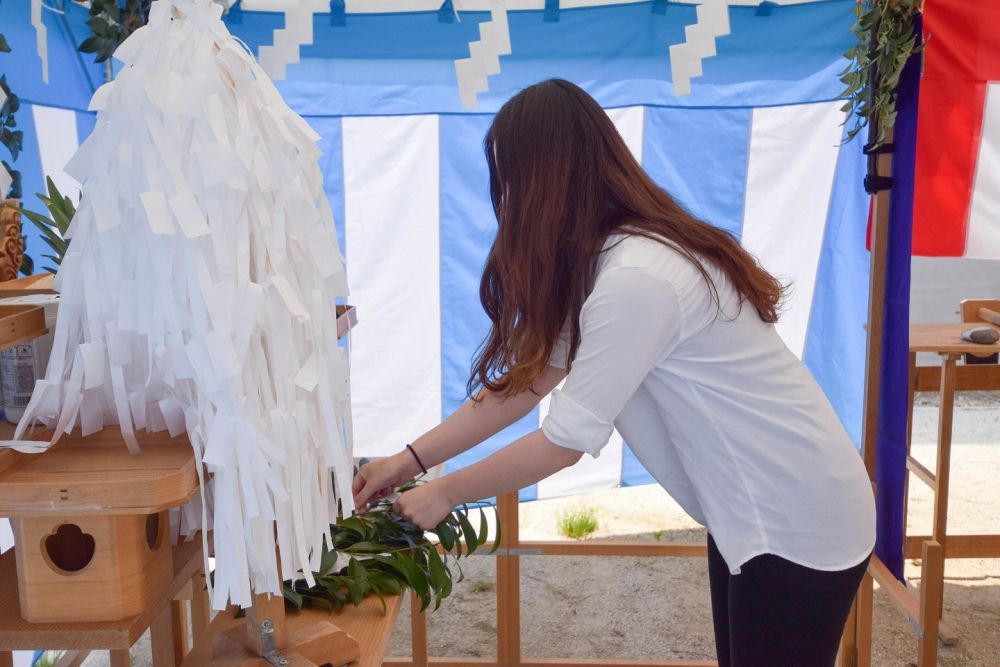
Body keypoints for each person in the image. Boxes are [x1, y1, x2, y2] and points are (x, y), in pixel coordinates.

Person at [352, 78, 875, 667]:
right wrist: (409, 461)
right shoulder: (613, 260)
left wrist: (444, 492)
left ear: (548, 179)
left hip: (794, 514)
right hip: (755, 508)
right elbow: (525, 386)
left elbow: (564, 442)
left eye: (510, 181)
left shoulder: (637, 278)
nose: (507, 203)